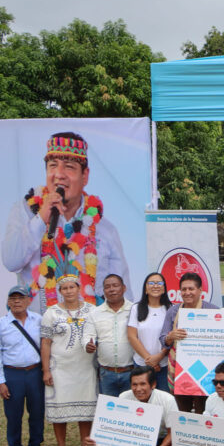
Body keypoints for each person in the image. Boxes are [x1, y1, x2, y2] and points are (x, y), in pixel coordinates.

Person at [3, 132, 132, 313]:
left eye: (69, 167)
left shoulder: (105, 230)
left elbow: (124, 296)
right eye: (53, 166)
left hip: (88, 333)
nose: (59, 175)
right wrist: (41, 218)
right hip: (38, 334)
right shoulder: (24, 212)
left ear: (85, 176)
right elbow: (11, 261)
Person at [40, 274, 96, 446]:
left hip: (86, 367)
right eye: (65, 288)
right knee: (59, 408)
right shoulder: (51, 313)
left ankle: (85, 443)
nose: (69, 291)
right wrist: (46, 370)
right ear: (60, 291)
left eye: (72, 287)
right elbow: (46, 343)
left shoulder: (92, 310)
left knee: (86, 408)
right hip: (60, 369)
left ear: (79, 288)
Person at [160, 272, 218, 414]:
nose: (187, 293)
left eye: (191, 289)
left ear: (200, 290)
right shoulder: (173, 311)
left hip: (205, 371)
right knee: (182, 411)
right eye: (184, 289)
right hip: (180, 371)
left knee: (203, 411)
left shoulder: (213, 311)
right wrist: (170, 336)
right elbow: (162, 339)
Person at [1, 285, 45, 446]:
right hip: (13, 374)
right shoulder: (2, 324)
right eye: (13, 298)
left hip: (35, 371)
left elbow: (46, 345)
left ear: (28, 301)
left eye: (21, 298)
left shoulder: (38, 320)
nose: (17, 301)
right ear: (8, 302)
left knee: (37, 411)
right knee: (13, 414)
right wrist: (1, 381)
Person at [118, 365, 178, 446]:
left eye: (143, 384)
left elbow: (173, 432)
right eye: (134, 385)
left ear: (153, 384)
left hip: (163, 438)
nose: (138, 389)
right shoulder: (123, 398)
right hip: (137, 438)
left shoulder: (167, 400)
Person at [84, 274, 134, 397]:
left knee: (131, 413)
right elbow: (87, 335)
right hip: (106, 374)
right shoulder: (95, 313)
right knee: (109, 413)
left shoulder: (135, 309)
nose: (111, 289)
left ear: (124, 288)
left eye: (115, 285)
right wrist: (87, 344)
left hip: (132, 372)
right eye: (107, 287)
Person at [127, 272, 172, 391]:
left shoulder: (170, 309)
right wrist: (150, 361)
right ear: (145, 289)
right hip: (141, 365)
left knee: (163, 402)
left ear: (164, 288)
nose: (155, 286)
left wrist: (160, 357)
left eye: (159, 283)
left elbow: (172, 338)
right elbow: (132, 336)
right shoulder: (136, 308)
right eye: (151, 283)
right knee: (142, 404)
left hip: (164, 366)